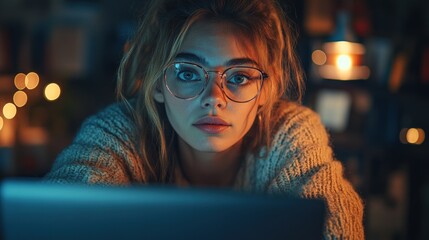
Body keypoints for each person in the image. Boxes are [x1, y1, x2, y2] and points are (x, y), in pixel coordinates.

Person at [45, 0, 364, 238]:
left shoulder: (289, 132)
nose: (214, 97)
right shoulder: (121, 131)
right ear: (158, 84)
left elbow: (333, 220)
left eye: (239, 77)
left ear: (265, 91)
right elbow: (61, 211)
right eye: (188, 73)